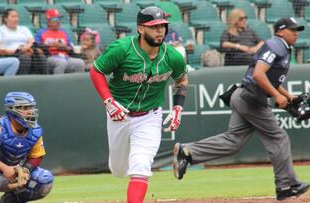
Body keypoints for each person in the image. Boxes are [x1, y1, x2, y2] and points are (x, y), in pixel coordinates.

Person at [173, 17, 309, 201]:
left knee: (234, 141)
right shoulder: (276, 45)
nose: (296, 33)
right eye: (292, 29)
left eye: (297, 30)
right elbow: (258, 74)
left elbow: (271, 79)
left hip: (245, 96)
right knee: (279, 138)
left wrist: (288, 95)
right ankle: (286, 185)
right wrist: (277, 97)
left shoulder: (283, 48)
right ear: (280, 31)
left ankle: (188, 152)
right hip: (252, 98)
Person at [90, 6, 188, 203]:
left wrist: (178, 107)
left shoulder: (173, 56)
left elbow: (182, 81)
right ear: (141, 29)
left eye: (163, 26)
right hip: (119, 114)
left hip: (149, 117)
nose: (160, 30)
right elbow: (96, 71)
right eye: (154, 26)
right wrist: (109, 102)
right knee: (118, 169)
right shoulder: (122, 49)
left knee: (141, 164)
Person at [0, 8, 48, 75]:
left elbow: (31, 41)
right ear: (5, 19)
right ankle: (22, 82)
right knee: (25, 59)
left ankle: (44, 81)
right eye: (13, 17)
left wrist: (25, 48)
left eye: (17, 17)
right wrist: (18, 50)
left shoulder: (24, 29)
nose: (16, 19)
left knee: (41, 57)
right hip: (10, 53)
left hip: (26, 51)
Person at [35, 8, 85, 74]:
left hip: (65, 57)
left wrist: (64, 46)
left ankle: (77, 83)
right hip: (50, 57)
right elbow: (36, 46)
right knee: (61, 63)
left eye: (59, 19)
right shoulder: (41, 32)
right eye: (56, 19)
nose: (58, 21)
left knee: (79, 63)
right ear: (48, 21)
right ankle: (57, 83)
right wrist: (52, 45)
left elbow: (71, 48)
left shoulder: (63, 32)